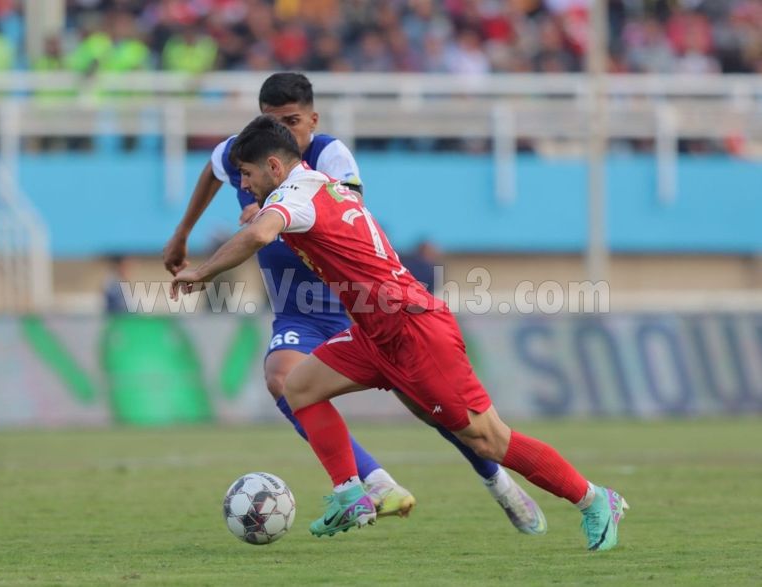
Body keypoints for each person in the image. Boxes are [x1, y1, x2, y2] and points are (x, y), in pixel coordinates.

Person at [170, 115, 629, 550]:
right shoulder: (322, 186)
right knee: (299, 387)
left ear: (273, 165)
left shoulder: (293, 196)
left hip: (413, 330)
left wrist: (202, 273)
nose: (244, 185)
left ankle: (593, 499)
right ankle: (351, 493)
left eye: (247, 174)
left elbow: (260, 235)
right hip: (376, 330)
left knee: (488, 438)